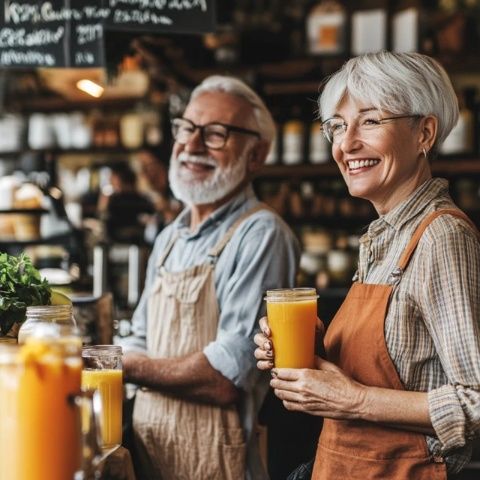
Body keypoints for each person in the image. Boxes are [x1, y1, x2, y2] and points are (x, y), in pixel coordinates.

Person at [254, 51, 480, 480]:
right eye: (337, 126)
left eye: (371, 121)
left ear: (424, 133)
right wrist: (311, 351)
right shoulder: (384, 236)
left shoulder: (440, 237)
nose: (346, 143)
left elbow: (476, 399)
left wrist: (353, 399)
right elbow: (404, 362)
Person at [119, 75, 300, 480]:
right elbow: (139, 338)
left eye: (216, 134)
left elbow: (225, 377)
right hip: (153, 454)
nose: (192, 145)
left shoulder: (261, 234)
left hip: (220, 462)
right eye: (186, 128)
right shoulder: (169, 237)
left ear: (256, 155)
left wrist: (118, 364)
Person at [98, 161, 154, 243]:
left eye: (112, 177)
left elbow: (104, 220)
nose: (110, 180)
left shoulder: (115, 200)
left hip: (126, 243)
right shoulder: (143, 199)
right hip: (132, 243)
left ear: (120, 177)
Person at [136, 147, 182, 243]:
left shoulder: (181, 194)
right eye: (141, 167)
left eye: (149, 166)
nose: (143, 173)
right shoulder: (145, 201)